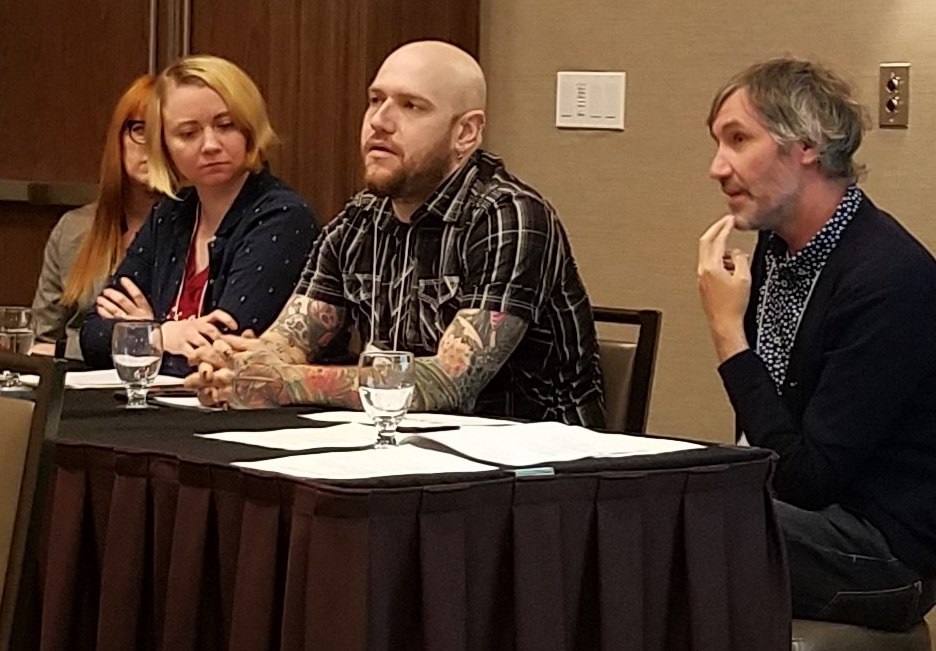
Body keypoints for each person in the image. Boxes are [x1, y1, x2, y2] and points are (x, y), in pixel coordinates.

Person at [186, 40, 604, 426]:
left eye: (411, 106)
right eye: (375, 100)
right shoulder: (359, 220)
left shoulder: (508, 216)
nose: (380, 121)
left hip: (534, 461)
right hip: (401, 447)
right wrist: (234, 365)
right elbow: (287, 343)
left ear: (466, 133)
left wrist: (282, 382)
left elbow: (450, 383)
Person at [699, 57, 936, 633]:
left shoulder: (888, 278)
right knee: (645, 500)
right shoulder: (778, 252)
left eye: (738, 140)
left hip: (885, 551)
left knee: (683, 523)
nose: (717, 167)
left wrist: (728, 334)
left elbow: (808, 478)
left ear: (805, 145)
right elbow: (772, 445)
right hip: (803, 515)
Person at [80, 55, 319, 375]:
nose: (210, 145)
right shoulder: (169, 213)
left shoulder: (283, 218)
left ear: (250, 128)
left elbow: (223, 355)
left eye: (226, 125)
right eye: (188, 133)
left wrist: (144, 333)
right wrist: (163, 335)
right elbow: (92, 336)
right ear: (164, 146)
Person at [31, 75, 158, 360]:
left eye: (165, 133)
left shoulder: (200, 231)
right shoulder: (74, 228)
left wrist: (67, 349)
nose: (153, 145)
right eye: (140, 130)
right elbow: (40, 341)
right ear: (119, 139)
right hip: (73, 379)